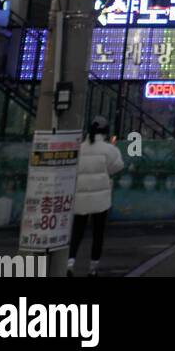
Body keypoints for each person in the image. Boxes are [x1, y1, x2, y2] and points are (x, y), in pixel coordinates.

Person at [67, 116, 124, 277]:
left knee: (77, 231)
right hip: (101, 198)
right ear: (105, 132)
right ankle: (93, 268)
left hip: (80, 196)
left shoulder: (79, 148)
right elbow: (117, 167)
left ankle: (69, 263)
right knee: (98, 233)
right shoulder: (109, 149)